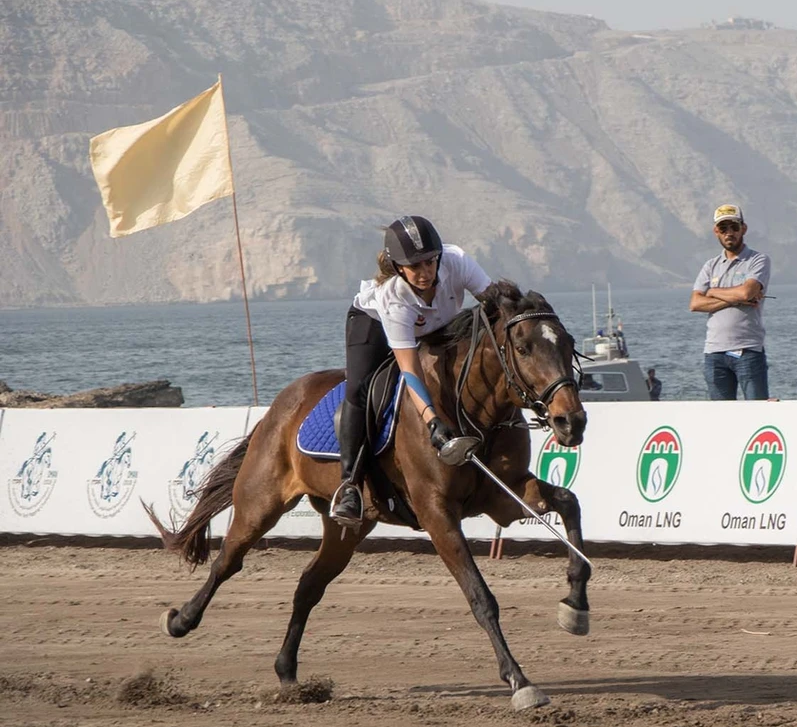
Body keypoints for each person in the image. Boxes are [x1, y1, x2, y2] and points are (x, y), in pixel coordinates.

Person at [331, 215, 492, 527]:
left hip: (437, 325)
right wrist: (432, 420)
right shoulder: (392, 298)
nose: (425, 272)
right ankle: (350, 485)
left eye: (430, 262)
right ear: (397, 267)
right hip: (373, 324)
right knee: (360, 388)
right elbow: (410, 369)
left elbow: (495, 303)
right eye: (415, 266)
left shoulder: (457, 261)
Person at [689, 204, 771, 400]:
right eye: (723, 228)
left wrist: (712, 292)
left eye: (734, 227)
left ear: (744, 228)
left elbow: (746, 292)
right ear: (716, 231)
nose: (729, 233)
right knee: (720, 417)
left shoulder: (758, 260)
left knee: (756, 412)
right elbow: (695, 303)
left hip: (748, 351)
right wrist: (732, 299)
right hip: (714, 353)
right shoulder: (710, 265)